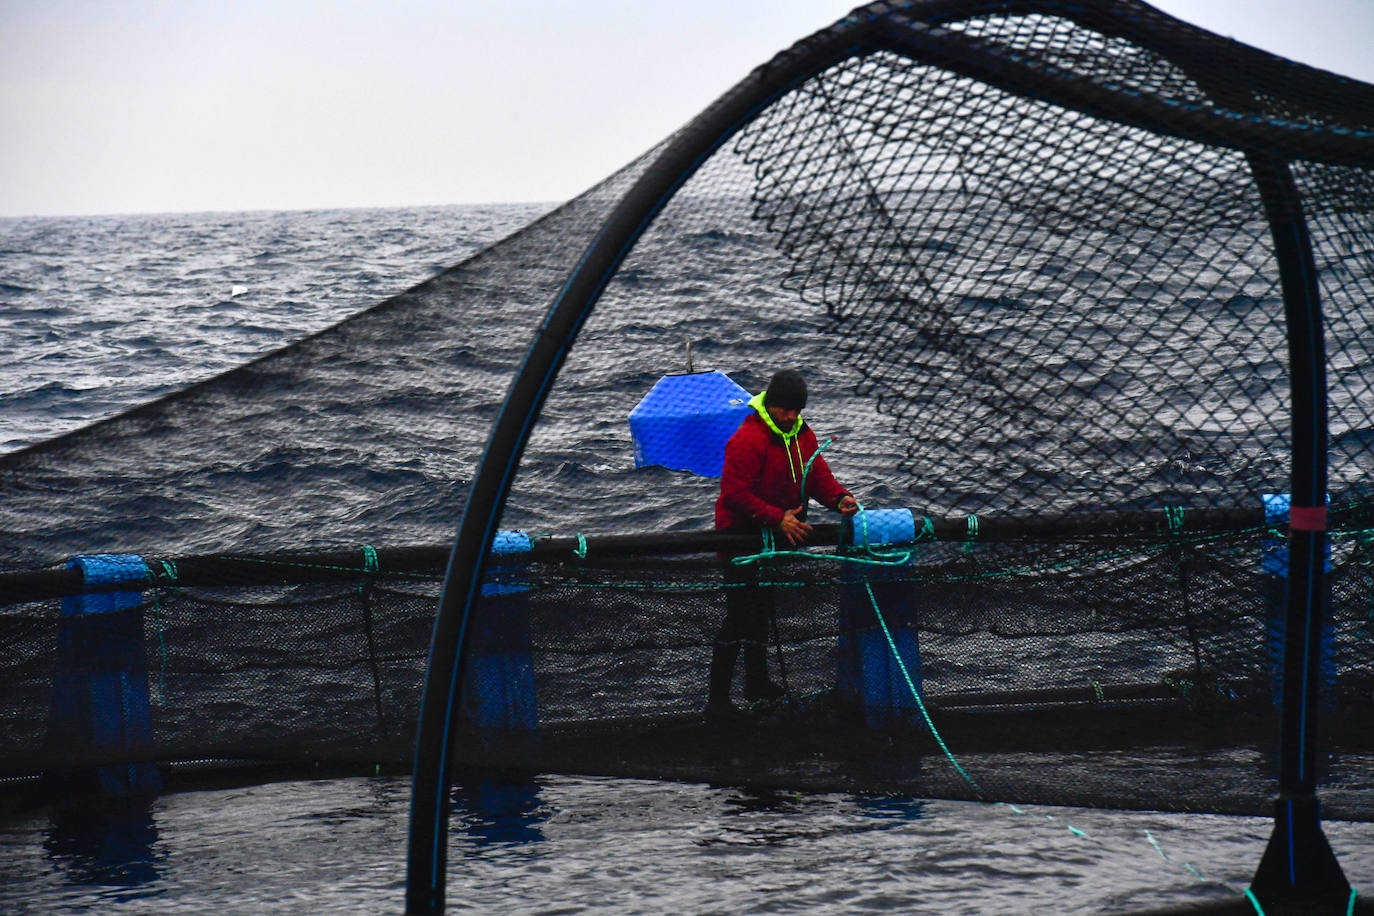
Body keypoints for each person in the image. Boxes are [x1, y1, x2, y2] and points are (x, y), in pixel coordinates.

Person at [707, 368, 858, 721]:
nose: (791, 416)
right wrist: (777, 518)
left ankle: (757, 684)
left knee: (761, 611)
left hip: (773, 536)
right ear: (770, 404)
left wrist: (839, 499)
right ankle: (717, 701)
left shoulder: (802, 434)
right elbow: (734, 494)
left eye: (796, 410)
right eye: (785, 409)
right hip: (740, 539)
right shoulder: (748, 438)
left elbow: (817, 476)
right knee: (739, 617)